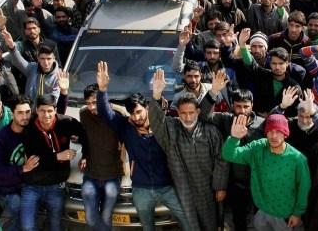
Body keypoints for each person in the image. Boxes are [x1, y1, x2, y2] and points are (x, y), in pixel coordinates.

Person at [94, 62, 190, 231]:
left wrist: (157, 94)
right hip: (141, 189)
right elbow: (105, 114)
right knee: (147, 227)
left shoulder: (162, 125)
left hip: (167, 186)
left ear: (146, 108)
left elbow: (161, 112)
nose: (136, 117)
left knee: (187, 220)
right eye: (132, 113)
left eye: (139, 111)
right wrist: (102, 90)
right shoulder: (125, 127)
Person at [149, 68, 229, 231]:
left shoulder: (210, 131)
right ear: (177, 112)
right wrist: (156, 96)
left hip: (208, 189)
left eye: (191, 113)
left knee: (212, 224)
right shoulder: (171, 130)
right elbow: (157, 123)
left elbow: (221, 160)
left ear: (198, 112)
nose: (187, 117)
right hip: (184, 189)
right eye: (183, 113)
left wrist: (220, 186)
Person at [222, 113, 311, 230]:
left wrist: (297, 213)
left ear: (285, 134)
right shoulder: (257, 148)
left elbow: (304, 188)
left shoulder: (297, 159)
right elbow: (229, 155)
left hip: (285, 216)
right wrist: (234, 138)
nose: (273, 136)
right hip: (261, 211)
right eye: (270, 131)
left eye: (278, 131)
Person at [199, 74, 265, 231]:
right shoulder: (225, 120)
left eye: (246, 106)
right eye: (238, 106)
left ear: (252, 105)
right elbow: (203, 115)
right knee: (238, 219)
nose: (242, 110)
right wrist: (213, 91)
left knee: (259, 219)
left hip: (257, 181)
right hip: (234, 182)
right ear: (232, 106)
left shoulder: (262, 124)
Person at [20, 95, 88, 231]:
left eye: (50, 111)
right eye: (42, 111)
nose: (46, 115)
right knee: (27, 227)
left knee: (55, 226)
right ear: (36, 110)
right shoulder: (28, 128)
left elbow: (86, 135)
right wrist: (57, 156)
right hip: (32, 185)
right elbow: (34, 160)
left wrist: (85, 155)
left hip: (56, 185)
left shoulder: (67, 122)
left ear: (55, 110)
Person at [0, 96, 38, 231]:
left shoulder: (31, 128)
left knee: (24, 219)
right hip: (10, 189)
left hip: (29, 185)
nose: (25, 117)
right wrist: (23, 168)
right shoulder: (0, 138)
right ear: (12, 113)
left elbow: (51, 115)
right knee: (23, 219)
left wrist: (63, 93)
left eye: (28, 112)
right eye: (20, 113)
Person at [79, 83, 123, 231]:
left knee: (106, 216)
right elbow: (85, 138)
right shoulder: (84, 115)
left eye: (94, 102)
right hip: (92, 173)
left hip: (112, 174)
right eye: (88, 103)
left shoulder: (116, 116)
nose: (91, 107)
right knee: (90, 219)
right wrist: (84, 155)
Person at [238, 28, 301, 116]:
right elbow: (251, 63)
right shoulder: (263, 75)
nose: (277, 67)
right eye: (274, 63)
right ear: (269, 63)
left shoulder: (294, 87)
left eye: (281, 63)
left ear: (287, 64)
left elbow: (296, 113)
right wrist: (242, 45)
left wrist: (274, 116)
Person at [1, 30, 61, 105]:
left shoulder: (58, 75)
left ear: (54, 58)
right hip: (29, 110)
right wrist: (12, 46)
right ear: (38, 59)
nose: (46, 62)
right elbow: (18, 61)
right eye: (42, 59)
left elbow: (55, 98)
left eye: (49, 59)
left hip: (46, 112)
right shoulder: (32, 68)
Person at [270, 88, 318, 157]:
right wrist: (282, 107)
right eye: (301, 116)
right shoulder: (289, 124)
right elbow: (270, 123)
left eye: (308, 117)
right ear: (297, 113)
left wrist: (313, 113)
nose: (304, 121)